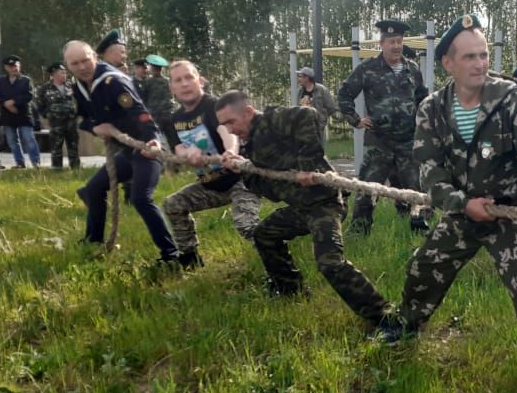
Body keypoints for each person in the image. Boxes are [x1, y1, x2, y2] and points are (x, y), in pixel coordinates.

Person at [379, 15, 517, 393]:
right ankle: (407, 325)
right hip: (462, 211)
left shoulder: (511, 101)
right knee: (424, 266)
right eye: (470, 56)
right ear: (448, 64)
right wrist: (460, 204)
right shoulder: (432, 110)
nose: (480, 64)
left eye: (484, 55)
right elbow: (430, 171)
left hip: (511, 213)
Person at [216, 90, 393, 326]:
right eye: (224, 125)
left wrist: (307, 166)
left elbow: (308, 115)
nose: (229, 130)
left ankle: (385, 317)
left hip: (324, 204)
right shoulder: (251, 148)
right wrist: (244, 172)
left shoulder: (272, 120)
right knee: (264, 235)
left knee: (329, 262)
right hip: (300, 208)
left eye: (231, 122)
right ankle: (290, 289)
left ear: (248, 112)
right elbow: (271, 191)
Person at [64, 40, 180, 264]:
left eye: (85, 60)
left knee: (140, 198)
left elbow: (140, 112)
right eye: (74, 63)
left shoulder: (114, 82)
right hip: (126, 152)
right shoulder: (78, 87)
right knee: (94, 189)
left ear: (95, 58)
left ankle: (171, 255)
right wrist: (95, 128)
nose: (81, 67)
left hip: (146, 147)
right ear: (68, 65)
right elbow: (81, 117)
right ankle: (93, 240)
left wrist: (153, 141)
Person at [161, 61, 261, 268]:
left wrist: (231, 154)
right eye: (178, 80)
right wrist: (190, 152)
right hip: (210, 184)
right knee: (173, 204)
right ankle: (190, 258)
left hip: (240, 180)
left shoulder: (213, 106)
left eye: (189, 77)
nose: (185, 84)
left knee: (246, 225)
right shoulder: (173, 119)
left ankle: (278, 264)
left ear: (201, 80)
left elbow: (227, 134)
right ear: (171, 88)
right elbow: (178, 150)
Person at [337, 19, 431, 234]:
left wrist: (424, 125)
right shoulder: (368, 69)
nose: (396, 46)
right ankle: (359, 232)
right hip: (379, 140)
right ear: (382, 43)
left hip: (408, 141)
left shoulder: (412, 69)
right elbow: (344, 94)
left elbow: (422, 99)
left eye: (399, 41)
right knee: (368, 189)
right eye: (391, 41)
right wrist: (356, 119)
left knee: (416, 188)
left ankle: (419, 229)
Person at [0, 55, 40, 169]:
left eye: (16, 66)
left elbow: (29, 96)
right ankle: (20, 163)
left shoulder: (26, 80)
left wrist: (14, 102)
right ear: (6, 68)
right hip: (7, 115)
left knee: (29, 139)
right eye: (11, 66)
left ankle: (36, 162)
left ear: (19, 66)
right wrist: (6, 104)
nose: (14, 68)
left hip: (23, 114)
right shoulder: (0, 81)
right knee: (12, 141)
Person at [36, 62, 80, 169]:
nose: (64, 75)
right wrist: (47, 114)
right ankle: (57, 168)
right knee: (56, 147)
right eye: (62, 73)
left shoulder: (72, 86)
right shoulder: (45, 88)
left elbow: (79, 100)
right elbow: (39, 104)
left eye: (65, 73)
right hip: (56, 123)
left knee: (73, 146)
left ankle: (75, 167)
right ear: (54, 74)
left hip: (71, 122)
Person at [297, 66, 340, 145]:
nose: (298, 79)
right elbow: (297, 107)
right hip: (302, 128)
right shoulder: (300, 91)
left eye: (300, 76)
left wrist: (322, 118)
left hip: (317, 128)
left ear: (307, 78)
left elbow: (331, 107)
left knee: (318, 151)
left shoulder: (321, 90)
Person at [141, 54, 175, 144]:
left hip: (155, 116)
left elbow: (143, 99)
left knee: (155, 140)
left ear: (152, 69)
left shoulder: (148, 82)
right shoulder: (168, 81)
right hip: (168, 114)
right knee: (173, 140)